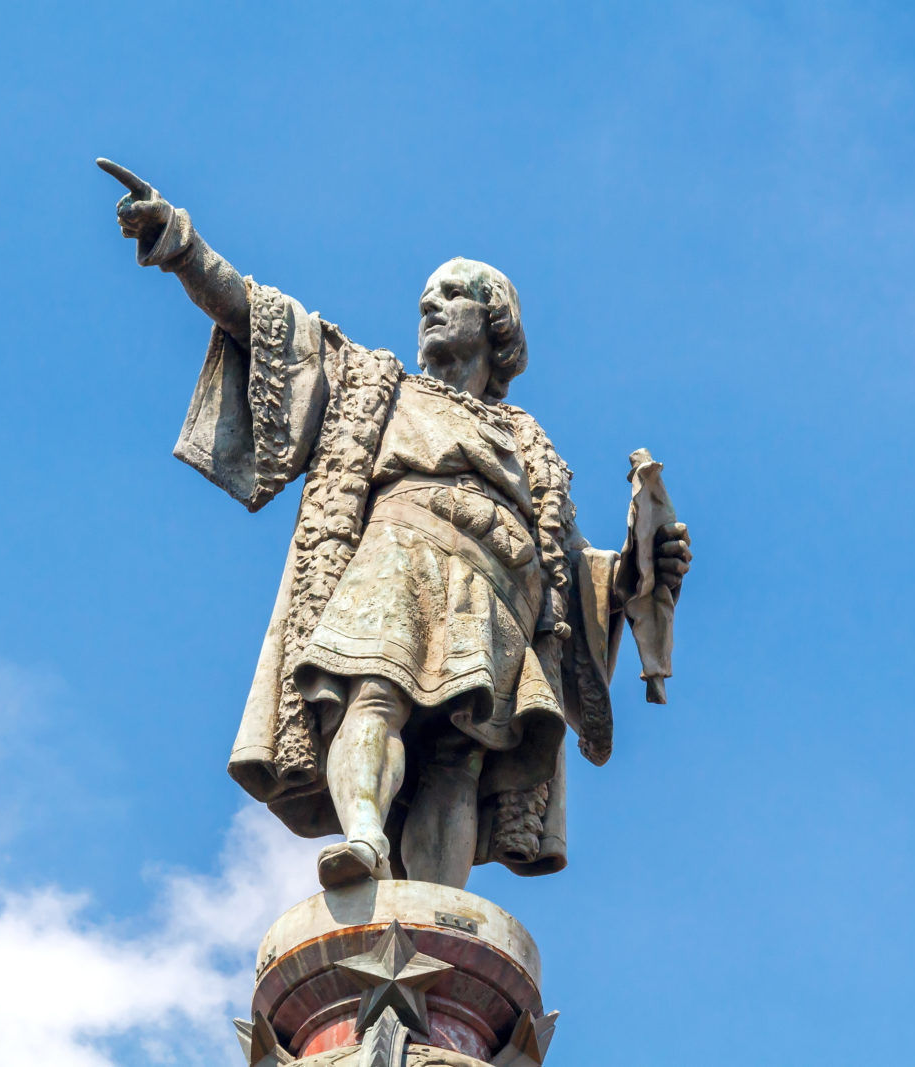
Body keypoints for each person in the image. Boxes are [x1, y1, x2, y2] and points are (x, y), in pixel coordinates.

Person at [100, 159, 692, 890]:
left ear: (494, 320)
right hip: (400, 552)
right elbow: (265, 322)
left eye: (450, 295)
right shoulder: (374, 383)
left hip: (500, 592)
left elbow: (574, 572)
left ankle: (436, 907)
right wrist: (182, 247)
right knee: (372, 688)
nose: (431, 307)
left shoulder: (533, 452)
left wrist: (638, 569)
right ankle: (363, 837)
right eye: (425, 299)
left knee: (461, 751)